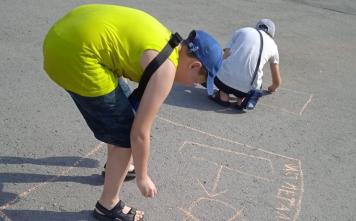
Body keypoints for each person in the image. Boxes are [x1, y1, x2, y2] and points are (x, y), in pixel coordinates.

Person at [43, 4, 222, 221]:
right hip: (72, 55)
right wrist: (143, 177)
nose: (194, 87)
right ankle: (108, 206)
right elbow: (139, 133)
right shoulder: (166, 70)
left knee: (122, 112)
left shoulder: (167, 41)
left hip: (62, 33)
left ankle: (121, 165)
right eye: (200, 82)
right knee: (124, 135)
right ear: (194, 66)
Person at [210, 19, 281, 110]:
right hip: (247, 90)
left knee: (225, 75)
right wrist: (272, 88)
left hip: (223, 82)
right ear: (272, 34)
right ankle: (241, 100)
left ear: (256, 27)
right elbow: (276, 80)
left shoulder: (243, 31)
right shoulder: (273, 46)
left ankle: (223, 95)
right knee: (255, 80)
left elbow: (225, 55)